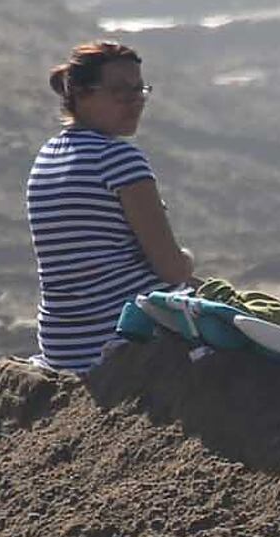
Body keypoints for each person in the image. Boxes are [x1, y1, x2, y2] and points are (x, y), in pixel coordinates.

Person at [27, 40, 194, 373]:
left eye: (139, 90)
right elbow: (172, 268)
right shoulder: (118, 158)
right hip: (121, 339)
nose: (135, 101)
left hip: (65, 347)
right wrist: (189, 261)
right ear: (83, 94)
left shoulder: (46, 158)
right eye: (120, 91)